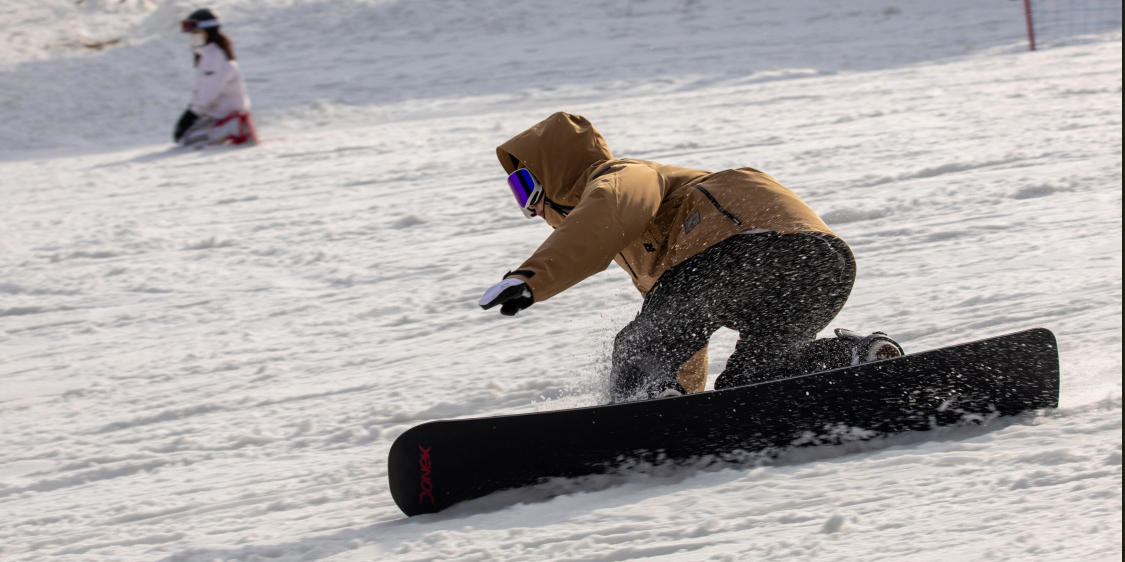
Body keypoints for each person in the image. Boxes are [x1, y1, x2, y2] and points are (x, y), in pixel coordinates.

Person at [479, 112, 903, 403]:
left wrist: (532, 279)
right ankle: (858, 360)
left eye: (523, 185)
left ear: (555, 171)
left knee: (636, 348)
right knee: (752, 383)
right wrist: (687, 409)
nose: (528, 206)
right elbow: (678, 330)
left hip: (747, 244)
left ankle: (641, 415)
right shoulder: (646, 253)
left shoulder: (621, 178)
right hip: (816, 265)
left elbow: (601, 217)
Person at [173, 9, 258, 148]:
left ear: (209, 32)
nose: (193, 36)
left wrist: (189, 116)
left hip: (226, 113)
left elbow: (207, 95)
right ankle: (228, 127)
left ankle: (233, 127)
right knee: (183, 138)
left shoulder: (215, 58)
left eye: (197, 32)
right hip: (217, 113)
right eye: (192, 33)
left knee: (186, 140)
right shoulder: (208, 55)